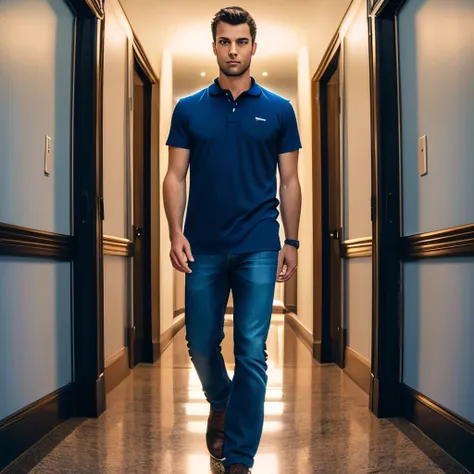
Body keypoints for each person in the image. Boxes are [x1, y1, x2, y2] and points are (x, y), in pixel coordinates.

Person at [163, 6, 302, 474]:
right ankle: (220, 400)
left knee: (251, 349)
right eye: (225, 42)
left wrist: (293, 241)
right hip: (201, 245)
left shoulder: (280, 109)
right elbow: (174, 176)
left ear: (253, 47)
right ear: (215, 46)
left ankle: (240, 457)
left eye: (241, 42)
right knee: (200, 342)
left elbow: (290, 181)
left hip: (260, 245)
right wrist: (175, 232)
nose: (233, 50)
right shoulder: (188, 109)